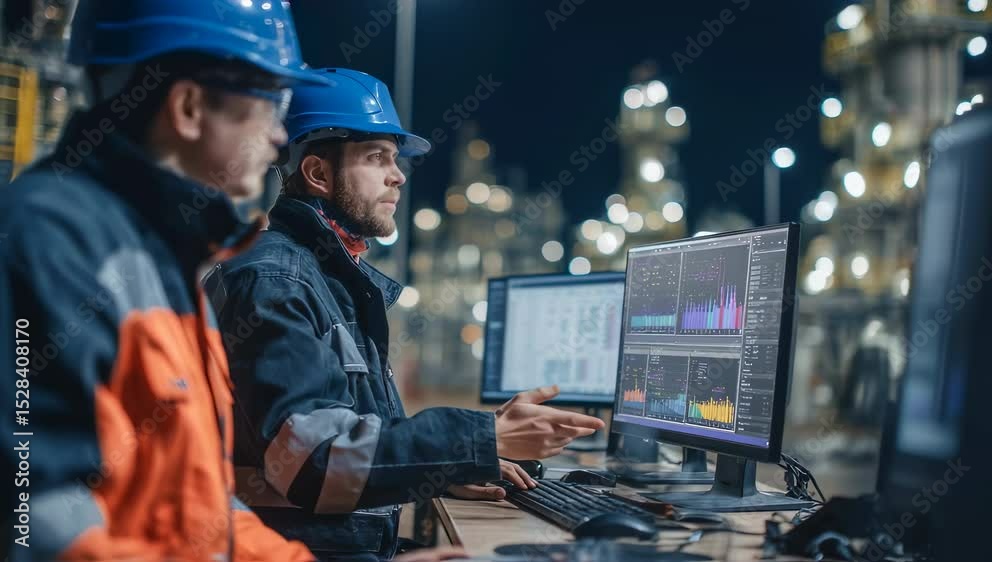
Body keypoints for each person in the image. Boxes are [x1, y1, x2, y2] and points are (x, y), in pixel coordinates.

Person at [0, 2, 359, 560]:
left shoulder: (163, 255)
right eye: (273, 104)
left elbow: (201, 515)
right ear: (189, 107)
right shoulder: (46, 244)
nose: (280, 136)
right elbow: (33, 526)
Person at [203, 68, 606, 558]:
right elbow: (311, 463)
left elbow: (347, 443)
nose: (398, 176)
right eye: (377, 158)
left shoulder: (331, 280)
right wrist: (481, 437)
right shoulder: (275, 281)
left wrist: (443, 471)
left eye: (396, 160)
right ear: (317, 173)